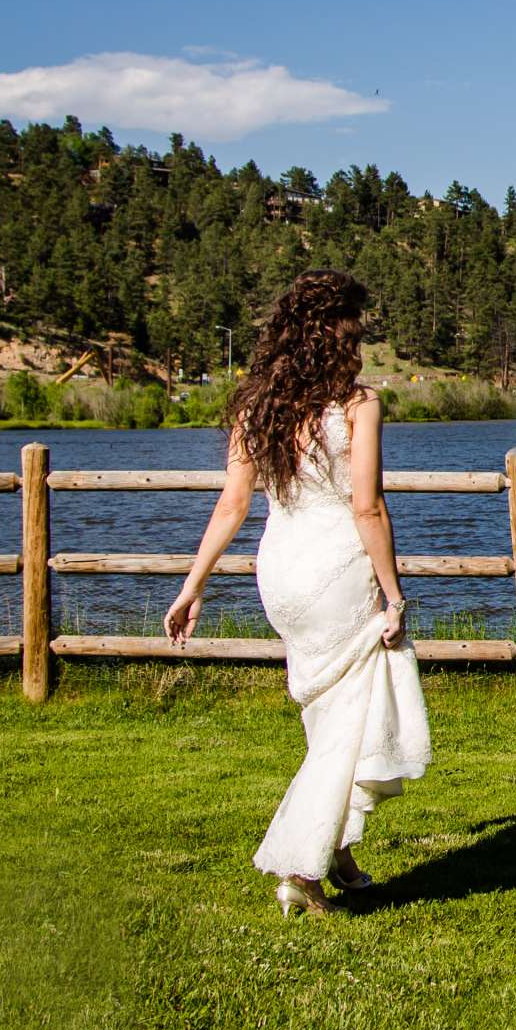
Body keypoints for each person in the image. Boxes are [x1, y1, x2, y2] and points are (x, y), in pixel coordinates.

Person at [163, 270, 431, 916]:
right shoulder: (357, 405)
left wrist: (191, 586)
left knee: (325, 717)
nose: (363, 337)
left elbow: (232, 503)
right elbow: (367, 508)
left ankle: (338, 852)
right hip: (337, 566)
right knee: (356, 717)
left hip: (280, 569)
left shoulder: (258, 404)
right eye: (357, 326)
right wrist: (394, 597)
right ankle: (300, 869)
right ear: (336, 331)